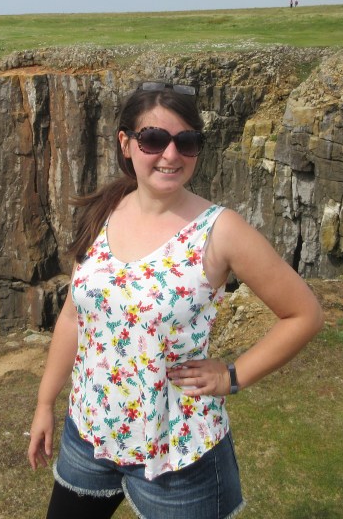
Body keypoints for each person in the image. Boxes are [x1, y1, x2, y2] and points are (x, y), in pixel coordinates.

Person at [28, 80, 324, 519]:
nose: (171, 155)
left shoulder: (220, 231)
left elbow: (304, 313)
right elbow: (74, 318)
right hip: (89, 433)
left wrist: (231, 376)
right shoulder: (103, 212)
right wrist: (44, 404)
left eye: (187, 142)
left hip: (177, 450)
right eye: (154, 139)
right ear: (126, 144)